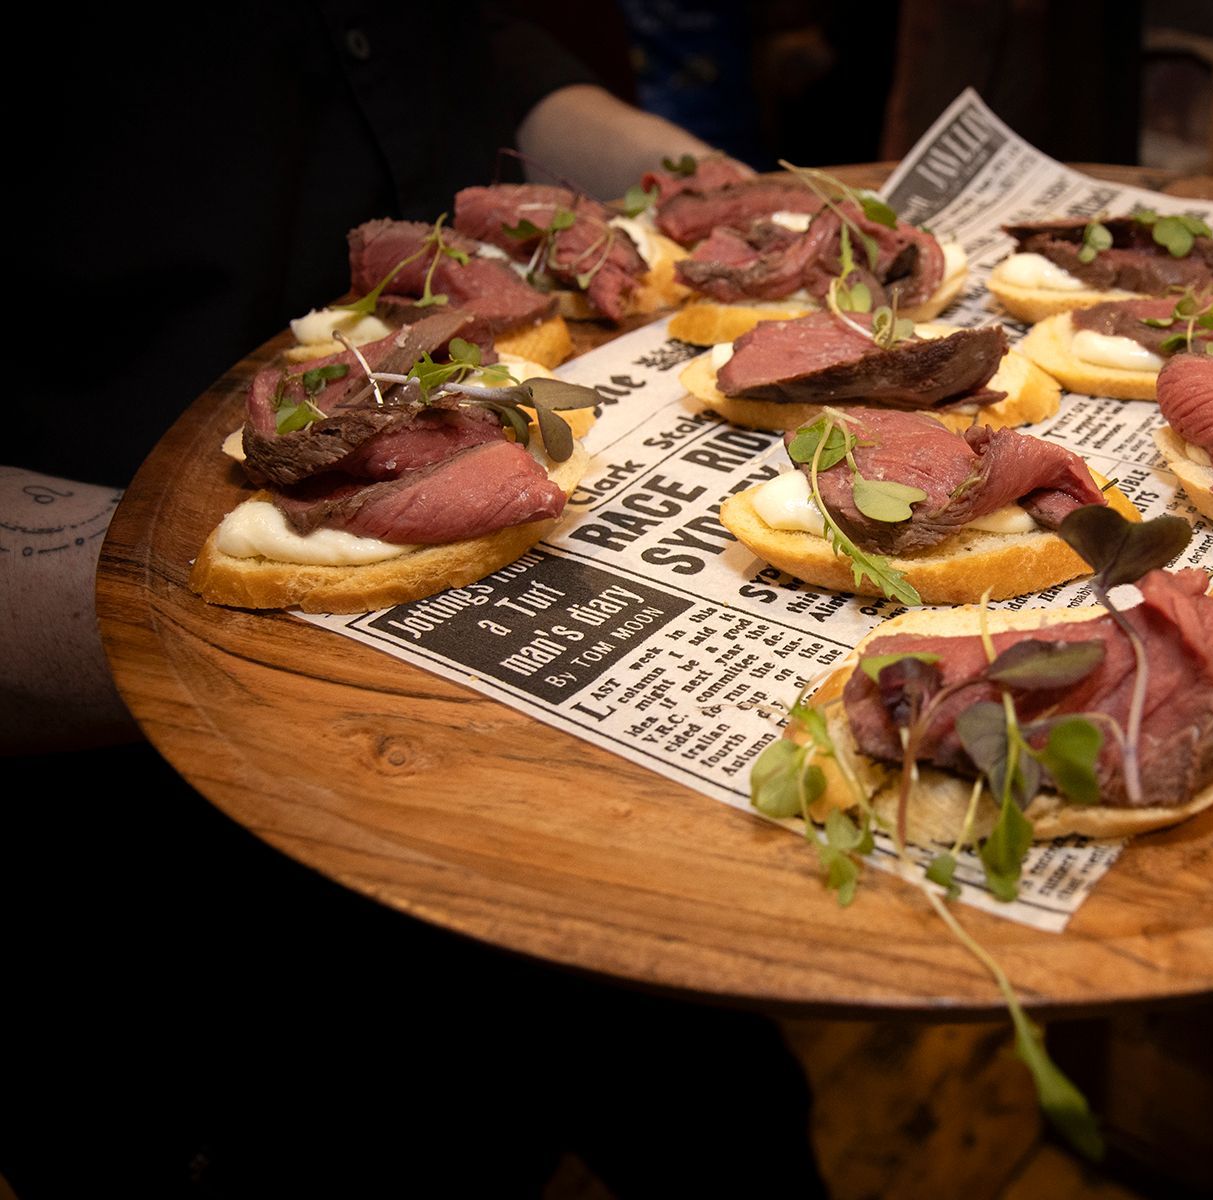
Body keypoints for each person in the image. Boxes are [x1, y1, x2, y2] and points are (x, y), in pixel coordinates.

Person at [4, 7, 827, 1195]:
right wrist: (296, 572)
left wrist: (718, 198)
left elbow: (459, 50)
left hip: (589, 799)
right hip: (181, 886)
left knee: (724, 1115)